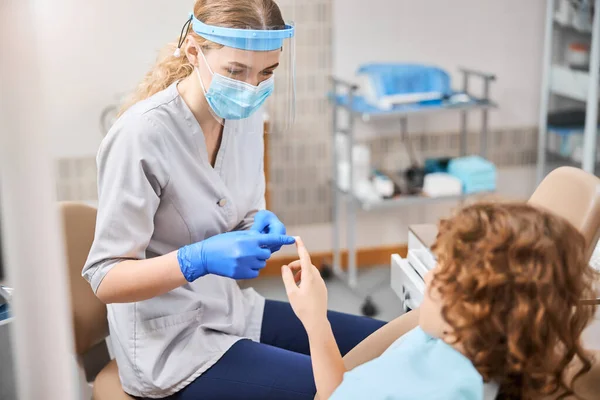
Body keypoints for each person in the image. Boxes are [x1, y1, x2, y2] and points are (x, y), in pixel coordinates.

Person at [82, 1, 385, 399]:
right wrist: (198, 259)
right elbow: (106, 277)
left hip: (233, 312)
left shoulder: (246, 116)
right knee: (347, 390)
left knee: (388, 349)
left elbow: (241, 210)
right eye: (236, 72)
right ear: (194, 51)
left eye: (267, 73)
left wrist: (256, 224)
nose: (251, 88)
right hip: (169, 346)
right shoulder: (141, 136)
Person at [283, 203, 599, 399]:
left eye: (443, 274)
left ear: (475, 312)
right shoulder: (442, 347)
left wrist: (315, 320)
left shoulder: (445, 389)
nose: (430, 277)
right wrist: (316, 318)